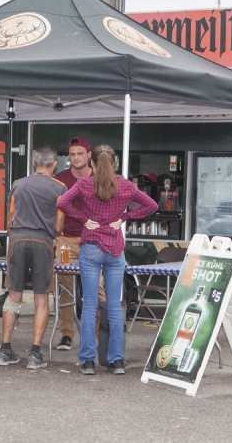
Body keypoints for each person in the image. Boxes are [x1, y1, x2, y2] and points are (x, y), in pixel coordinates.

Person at [57, 145, 158, 375]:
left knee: (89, 305)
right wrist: (125, 217)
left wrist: (83, 218)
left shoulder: (84, 184)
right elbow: (151, 205)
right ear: (114, 163)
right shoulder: (125, 185)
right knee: (114, 306)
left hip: (91, 245)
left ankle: (88, 361)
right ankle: (117, 360)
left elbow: (62, 203)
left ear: (91, 162)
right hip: (114, 248)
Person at [0, 145, 66, 370]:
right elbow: (58, 226)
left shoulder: (18, 184)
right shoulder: (60, 188)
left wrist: (17, 233)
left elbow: (9, 221)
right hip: (42, 241)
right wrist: (51, 235)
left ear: (34, 162)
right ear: (54, 164)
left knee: (14, 295)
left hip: (18, 239)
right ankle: (35, 355)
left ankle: (4, 350)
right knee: (41, 298)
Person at [53, 136, 106, 351]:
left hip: (93, 240)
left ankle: (97, 332)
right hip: (65, 239)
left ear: (89, 154)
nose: (76, 158)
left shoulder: (100, 178)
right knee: (65, 288)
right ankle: (67, 334)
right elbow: (50, 208)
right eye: (72, 154)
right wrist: (53, 233)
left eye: (80, 153)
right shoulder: (60, 179)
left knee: (96, 287)